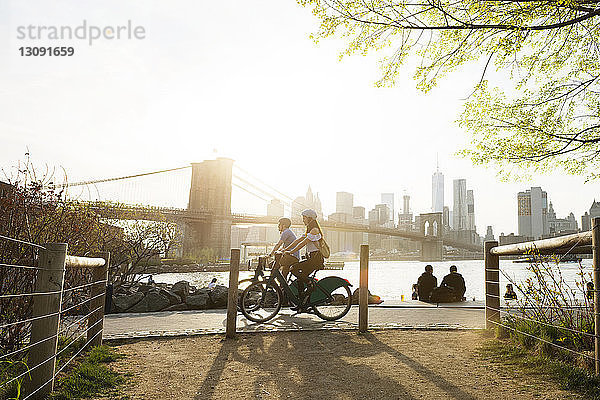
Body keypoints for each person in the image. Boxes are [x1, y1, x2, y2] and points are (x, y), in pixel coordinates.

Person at [283, 209, 325, 309]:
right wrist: (285, 249)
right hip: (311, 258)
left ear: (310, 218)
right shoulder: (309, 230)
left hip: (316, 259)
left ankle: (310, 284)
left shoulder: (314, 230)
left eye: (304, 218)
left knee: (293, 269)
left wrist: (291, 252)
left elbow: (303, 243)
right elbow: (298, 240)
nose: (303, 220)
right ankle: (301, 303)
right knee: (299, 278)